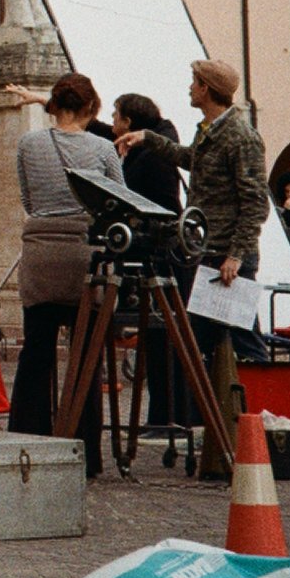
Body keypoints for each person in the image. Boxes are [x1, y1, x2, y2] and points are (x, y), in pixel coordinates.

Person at [8, 72, 125, 477]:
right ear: (91, 107)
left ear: (54, 105)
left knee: (35, 355)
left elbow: (27, 198)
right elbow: (118, 201)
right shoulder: (103, 149)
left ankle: (26, 443)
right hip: (84, 258)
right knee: (85, 361)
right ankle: (84, 453)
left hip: (40, 253)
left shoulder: (29, 143)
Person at [122, 60, 271, 366]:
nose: (189, 88)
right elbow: (190, 159)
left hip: (228, 258)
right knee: (201, 339)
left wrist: (236, 255)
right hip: (213, 251)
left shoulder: (240, 137)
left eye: (194, 82)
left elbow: (256, 202)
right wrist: (148, 138)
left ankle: (264, 406)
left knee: (244, 341)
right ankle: (212, 410)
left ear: (205, 88)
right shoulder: (212, 131)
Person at [108, 93, 188, 430]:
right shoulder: (145, 146)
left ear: (129, 122)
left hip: (163, 253)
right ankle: (162, 416)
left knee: (165, 340)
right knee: (157, 342)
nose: (112, 121)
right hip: (157, 250)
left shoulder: (152, 155)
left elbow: (160, 203)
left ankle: (169, 417)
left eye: (116, 116)